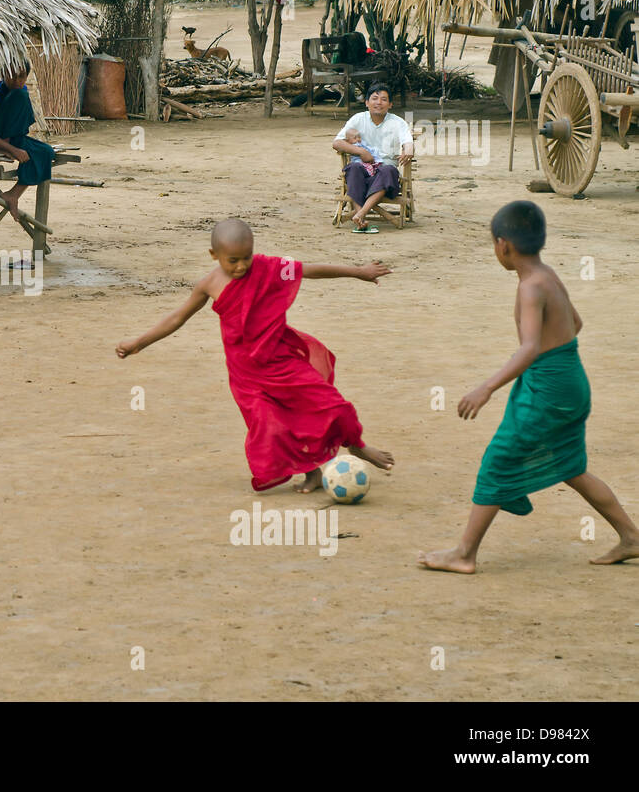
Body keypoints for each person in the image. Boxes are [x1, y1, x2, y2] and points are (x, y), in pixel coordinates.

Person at [419, 201, 639, 573]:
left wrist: (486, 388)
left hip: (550, 392)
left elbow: (530, 348)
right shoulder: (547, 275)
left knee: (498, 461)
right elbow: (576, 323)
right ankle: (632, 537)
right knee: (571, 467)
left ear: (503, 245)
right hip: (570, 383)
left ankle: (464, 554)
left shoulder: (530, 287)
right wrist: (544, 361)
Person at [116, 219, 395, 492]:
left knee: (333, 405)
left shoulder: (269, 268)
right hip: (246, 374)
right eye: (233, 260)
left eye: (246, 258)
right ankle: (311, 472)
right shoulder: (208, 285)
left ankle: (356, 445)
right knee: (273, 427)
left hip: (282, 361)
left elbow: (310, 270)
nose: (241, 266)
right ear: (214, 255)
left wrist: (358, 271)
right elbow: (177, 318)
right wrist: (139, 342)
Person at [0, 62, 53, 225]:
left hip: (9, 137)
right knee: (20, 95)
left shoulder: (20, 90)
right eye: (12, 75)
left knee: (46, 152)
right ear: (3, 73)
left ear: (26, 76)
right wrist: (13, 150)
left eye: (21, 76)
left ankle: (13, 194)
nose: (16, 80)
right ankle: (2, 146)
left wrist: (12, 147)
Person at [333, 83, 414, 234]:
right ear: (366, 102)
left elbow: (408, 142)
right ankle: (361, 216)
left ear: (390, 104)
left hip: (384, 173)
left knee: (389, 170)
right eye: (374, 98)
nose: (378, 102)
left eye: (384, 99)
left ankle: (360, 214)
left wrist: (408, 151)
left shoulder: (397, 122)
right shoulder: (358, 119)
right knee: (353, 168)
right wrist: (361, 152)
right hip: (361, 169)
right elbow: (337, 142)